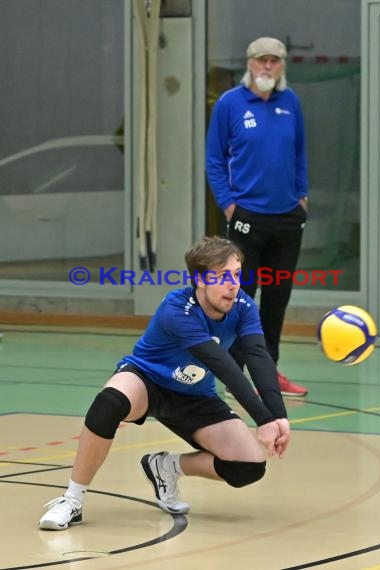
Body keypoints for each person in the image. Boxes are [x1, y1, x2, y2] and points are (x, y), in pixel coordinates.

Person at [39, 236, 290, 530]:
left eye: (236, 274)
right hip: (147, 381)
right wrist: (263, 419)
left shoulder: (244, 306)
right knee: (108, 404)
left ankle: (165, 467)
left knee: (249, 467)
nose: (233, 283)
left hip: (196, 395)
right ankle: (72, 500)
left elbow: (258, 356)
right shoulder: (178, 308)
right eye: (222, 276)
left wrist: (277, 415)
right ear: (199, 279)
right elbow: (223, 366)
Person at [206, 36, 309, 397]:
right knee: (239, 296)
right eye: (261, 60)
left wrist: (302, 197)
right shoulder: (230, 104)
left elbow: (299, 154)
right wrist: (229, 204)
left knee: (277, 298)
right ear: (249, 64)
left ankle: (270, 372)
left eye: (274, 61)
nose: (268, 66)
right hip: (246, 216)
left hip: (287, 218)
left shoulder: (290, 102)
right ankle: (234, 374)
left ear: (281, 67)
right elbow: (215, 160)